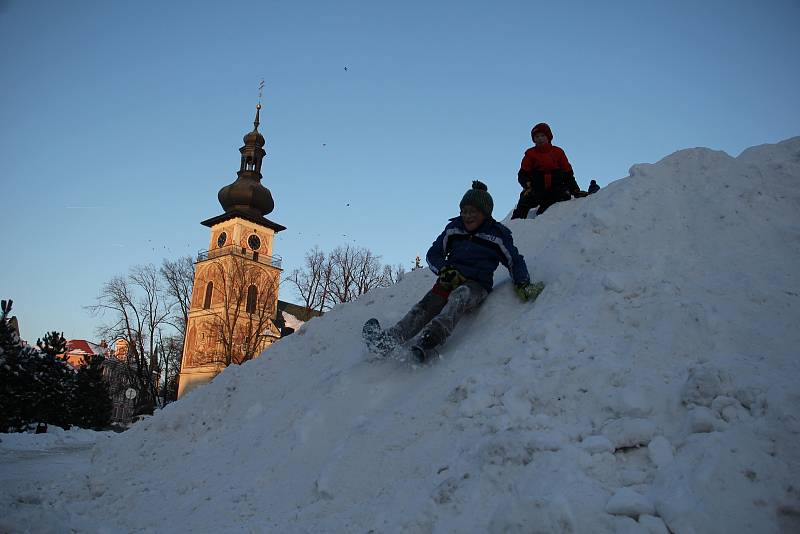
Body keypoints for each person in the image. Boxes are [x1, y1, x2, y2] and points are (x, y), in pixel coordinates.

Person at [363, 181, 544, 363]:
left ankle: (430, 338)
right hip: (451, 278)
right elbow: (433, 254)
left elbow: (514, 260)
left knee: (461, 295)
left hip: (476, 285)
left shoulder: (497, 235)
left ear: (485, 213)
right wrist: (445, 269)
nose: (467, 216)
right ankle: (388, 340)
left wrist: (522, 282)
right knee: (427, 305)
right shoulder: (454, 229)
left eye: (473, 212)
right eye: (464, 211)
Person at [511, 122, 587, 219]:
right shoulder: (530, 154)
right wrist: (527, 185)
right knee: (524, 200)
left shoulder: (558, 152)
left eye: (542, 135)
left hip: (556, 189)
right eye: (537, 137)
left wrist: (575, 190)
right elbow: (523, 174)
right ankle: (514, 225)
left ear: (548, 137)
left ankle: (543, 215)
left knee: (563, 196)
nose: (540, 139)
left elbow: (568, 174)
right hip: (537, 188)